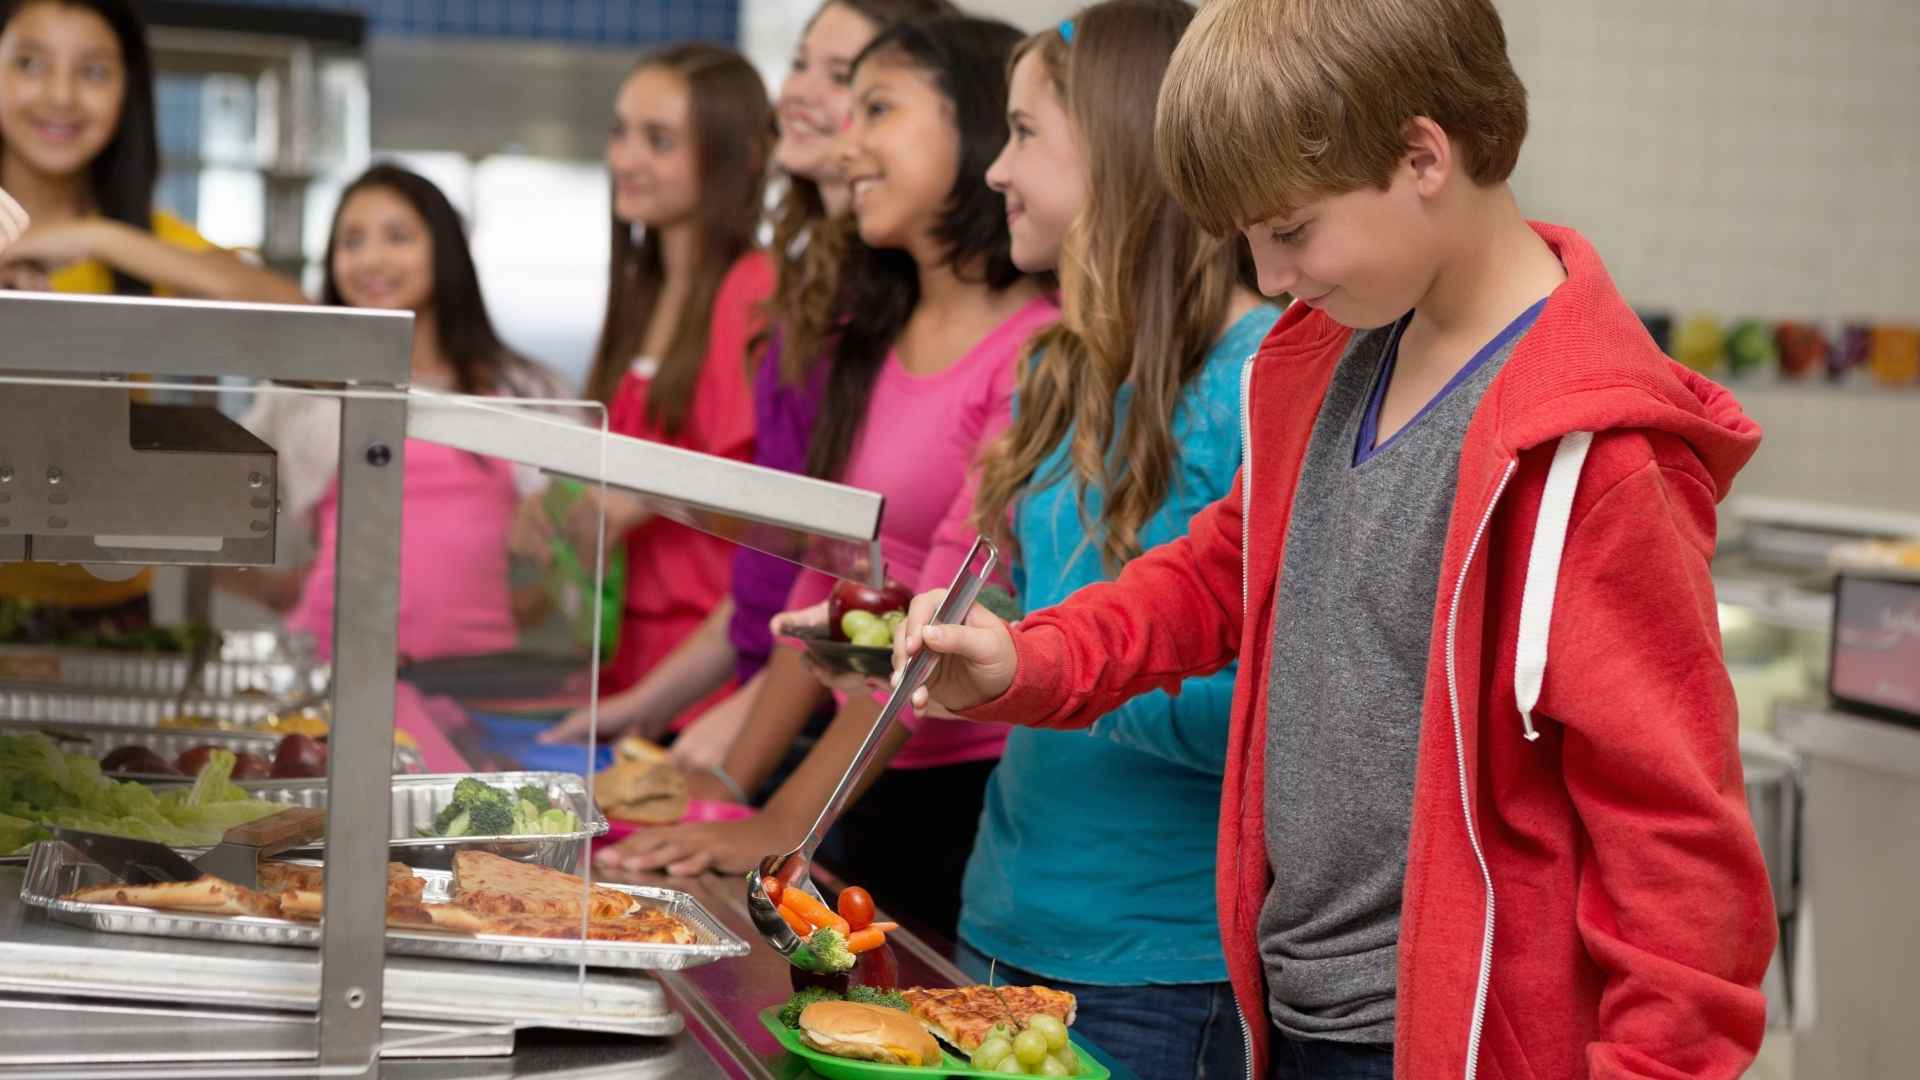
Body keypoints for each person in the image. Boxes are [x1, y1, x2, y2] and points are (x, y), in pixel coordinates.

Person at [894, 1, 1776, 1077]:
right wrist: (1029, 660)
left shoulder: (1601, 457)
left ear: (1422, 156)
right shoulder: (1331, 355)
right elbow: (1218, 574)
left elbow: (1679, 855)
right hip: (1292, 1010)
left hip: (1445, 1042)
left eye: (1292, 230)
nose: (1270, 280)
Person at [596, 14, 1053, 942]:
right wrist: (733, 783)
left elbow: (940, 621)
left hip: (955, 793)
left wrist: (782, 825)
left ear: (973, 126)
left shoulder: (1035, 348)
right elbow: (829, 577)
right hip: (855, 771)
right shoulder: (872, 332)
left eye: (877, 110)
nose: (845, 149)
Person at [940, 4, 1277, 1076]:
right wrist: (927, 641)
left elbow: (1279, 719)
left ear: (1122, 151)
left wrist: (1039, 673)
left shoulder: (1265, 378)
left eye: (1025, 133)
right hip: (1001, 917)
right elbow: (1043, 605)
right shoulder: (1058, 368)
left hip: (1159, 970)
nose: (996, 170)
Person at [535, 0, 953, 763]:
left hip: (786, 694)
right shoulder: (795, 292)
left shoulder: (761, 292)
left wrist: (740, 716)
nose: (627, 157)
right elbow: (794, 566)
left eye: (858, 87)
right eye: (800, 64)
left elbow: (797, 541)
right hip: (725, 673)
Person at [0, 0, 305, 637]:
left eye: (93, 71)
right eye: (29, 63)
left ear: (129, 92)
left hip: (107, 616)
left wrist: (99, 236)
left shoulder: (145, 245)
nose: (60, 96)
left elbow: (306, 324)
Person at [513, 43, 775, 728]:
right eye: (620, 132)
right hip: (626, 664)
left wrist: (644, 497)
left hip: (710, 678)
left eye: (659, 141)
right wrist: (560, 504)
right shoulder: (642, 296)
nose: (626, 159)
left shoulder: (756, 291)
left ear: (737, 159)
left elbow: (779, 508)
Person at [227, 164, 573, 669]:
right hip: (327, 671)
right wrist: (268, 588)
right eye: (352, 241)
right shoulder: (302, 393)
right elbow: (213, 502)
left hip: (477, 681)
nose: (371, 259)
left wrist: (539, 599)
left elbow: (583, 533)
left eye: (397, 237)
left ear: (445, 251)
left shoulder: (524, 389)